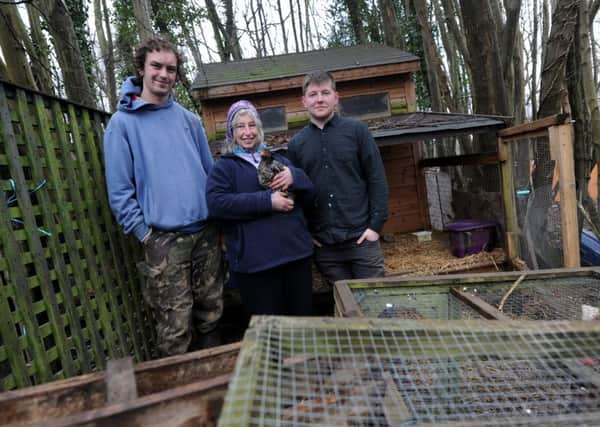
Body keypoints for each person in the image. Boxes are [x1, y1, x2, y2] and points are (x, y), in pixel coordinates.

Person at [103, 37, 224, 357]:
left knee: (212, 311)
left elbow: (210, 173)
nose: (163, 74)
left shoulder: (189, 120)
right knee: (175, 324)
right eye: (156, 66)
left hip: (206, 233)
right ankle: (179, 394)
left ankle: (216, 383)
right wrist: (145, 234)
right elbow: (119, 191)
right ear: (141, 68)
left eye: (171, 68)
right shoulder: (122, 124)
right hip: (163, 240)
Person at [206, 100, 314, 318]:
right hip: (257, 264)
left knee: (303, 322)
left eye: (252, 125)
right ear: (231, 132)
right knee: (269, 331)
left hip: (296, 255)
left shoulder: (277, 159)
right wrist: (268, 201)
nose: (247, 132)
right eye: (240, 126)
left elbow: (310, 194)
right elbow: (217, 204)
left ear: (259, 129)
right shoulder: (224, 167)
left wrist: (296, 177)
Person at [287, 70, 389, 286]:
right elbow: (294, 195)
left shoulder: (357, 132)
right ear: (304, 101)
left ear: (336, 97)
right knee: (344, 310)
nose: (320, 99)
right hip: (325, 247)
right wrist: (306, 232)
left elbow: (377, 179)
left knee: (375, 304)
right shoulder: (296, 144)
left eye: (325, 92)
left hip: (362, 239)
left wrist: (374, 227)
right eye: (313, 94)